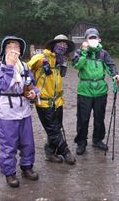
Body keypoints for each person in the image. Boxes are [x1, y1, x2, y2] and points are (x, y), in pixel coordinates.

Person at [0, 36, 39, 188]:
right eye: (9, 46)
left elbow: (32, 85)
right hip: (6, 113)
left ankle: (27, 167)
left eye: (17, 46)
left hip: (24, 110)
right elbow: (2, 85)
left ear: (21, 51)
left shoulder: (25, 67)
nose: (13, 49)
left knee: (28, 142)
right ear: (4, 50)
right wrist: (10, 67)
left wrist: (34, 93)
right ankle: (9, 172)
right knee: (9, 144)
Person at [72, 28, 119, 155]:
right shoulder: (79, 52)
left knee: (99, 118)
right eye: (90, 38)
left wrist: (115, 75)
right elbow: (77, 66)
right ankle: (81, 142)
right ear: (86, 40)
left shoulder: (103, 53)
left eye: (95, 38)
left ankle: (97, 140)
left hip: (100, 90)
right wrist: (84, 52)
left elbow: (111, 66)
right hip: (85, 90)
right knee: (83, 119)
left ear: (99, 39)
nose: (93, 40)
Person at [27, 34, 76, 165]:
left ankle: (50, 152)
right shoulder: (41, 57)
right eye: (60, 43)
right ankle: (65, 152)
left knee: (55, 128)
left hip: (58, 101)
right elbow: (25, 69)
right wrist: (30, 86)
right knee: (53, 129)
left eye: (65, 44)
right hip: (43, 101)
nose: (62, 46)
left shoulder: (61, 61)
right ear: (53, 45)